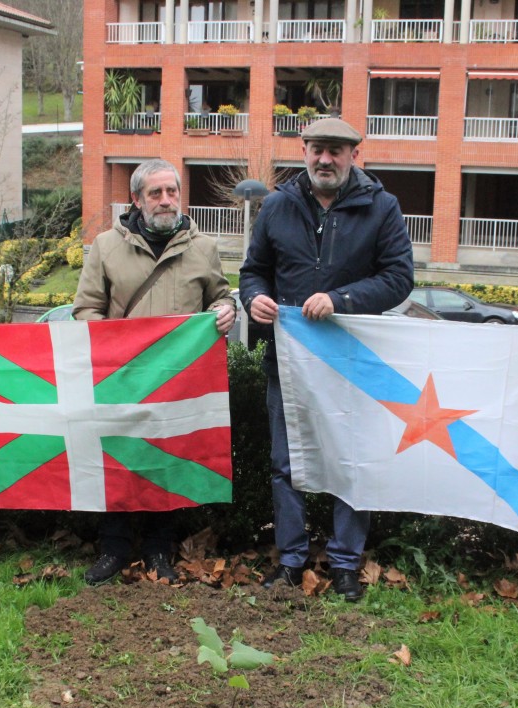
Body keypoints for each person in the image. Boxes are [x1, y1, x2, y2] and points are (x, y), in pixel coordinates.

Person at [238, 117, 414, 602]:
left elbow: (400, 278)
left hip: (353, 360)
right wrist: (254, 299)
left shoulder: (382, 207)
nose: (325, 159)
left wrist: (343, 299)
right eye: (317, 149)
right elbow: (253, 272)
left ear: (354, 155)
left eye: (336, 150)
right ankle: (291, 561)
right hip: (288, 360)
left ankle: (344, 565)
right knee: (285, 463)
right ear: (304, 150)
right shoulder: (276, 206)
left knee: (351, 460)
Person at [73, 158, 236, 585]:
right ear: (136, 199)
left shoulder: (203, 247)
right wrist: (111, 345)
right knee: (117, 461)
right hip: (120, 380)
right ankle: (113, 547)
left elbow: (219, 297)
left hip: (177, 382)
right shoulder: (106, 246)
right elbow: (86, 308)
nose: (166, 201)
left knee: (167, 460)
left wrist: (225, 310)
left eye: (172, 192)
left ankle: (159, 549)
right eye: (155, 193)